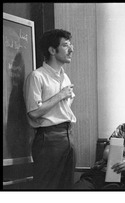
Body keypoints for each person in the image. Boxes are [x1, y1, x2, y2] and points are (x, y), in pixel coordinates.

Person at [23, 29, 76, 189]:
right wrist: (60, 95)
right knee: (47, 189)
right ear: (52, 50)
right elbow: (33, 113)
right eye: (66, 45)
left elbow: (63, 109)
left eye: (70, 44)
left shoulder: (64, 76)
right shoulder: (37, 76)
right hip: (48, 138)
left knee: (66, 188)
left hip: (68, 135)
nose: (71, 49)